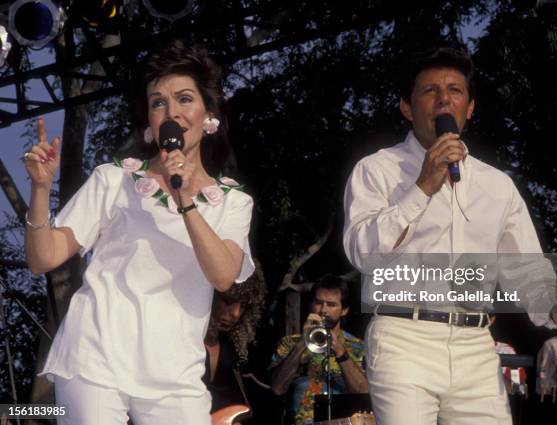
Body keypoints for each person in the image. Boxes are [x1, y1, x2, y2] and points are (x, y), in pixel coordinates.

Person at [342, 47, 557, 425]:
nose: (444, 98)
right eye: (430, 91)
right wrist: (422, 188)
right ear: (407, 108)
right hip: (403, 339)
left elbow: (524, 269)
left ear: (469, 107)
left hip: (476, 346)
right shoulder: (375, 170)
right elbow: (361, 253)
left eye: (455, 90)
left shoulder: (497, 185)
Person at [23, 39, 254, 425]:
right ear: (149, 122)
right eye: (158, 102)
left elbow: (223, 274)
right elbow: (41, 258)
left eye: (184, 99)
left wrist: (184, 198)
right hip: (96, 355)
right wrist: (41, 189)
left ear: (208, 115)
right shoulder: (113, 180)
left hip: (175, 372)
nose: (171, 112)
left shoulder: (232, 202)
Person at [270, 275, 368, 425]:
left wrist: (341, 352)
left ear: (344, 310)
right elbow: (277, 388)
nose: (323, 310)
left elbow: (363, 394)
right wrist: (303, 342)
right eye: (318, 302)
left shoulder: (358, 348)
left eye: (331, 304)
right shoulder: (290, 343)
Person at [203, 268, 267, 424]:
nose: (236, 314)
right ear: (209, 296)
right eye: (228, 301)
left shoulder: (230, 349)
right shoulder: (184, 343)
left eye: (243, 305)